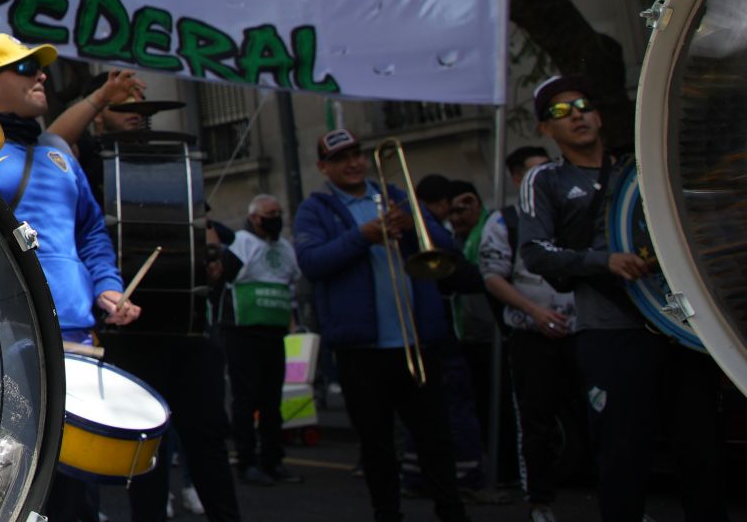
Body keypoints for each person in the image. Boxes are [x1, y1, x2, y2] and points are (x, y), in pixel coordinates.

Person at [519, 75, 726, 522]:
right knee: (622, 456)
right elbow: (535, 252)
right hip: (611, 334)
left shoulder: (642, 171)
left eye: (582, 104)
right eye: (559, 111)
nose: (575, 113)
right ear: (545, 130)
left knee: (702, 453)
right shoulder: (546, 179)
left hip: (677, 329)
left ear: (597, 114)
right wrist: (604, 261)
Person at [0, 35, 144, 522]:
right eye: (25, 68)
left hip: (77, 336)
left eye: (41, 69)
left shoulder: (60, 152)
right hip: (1, 337)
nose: (41, 76)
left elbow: (92, 233)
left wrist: (107, 285)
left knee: (76, 494)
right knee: (6, 481)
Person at [293, 128, 468, 522]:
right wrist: (362, 236)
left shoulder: (397, 196)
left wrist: (410, 224)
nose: (353, 163)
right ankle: (387, 514)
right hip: (362, 350)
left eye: (356, 154)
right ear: (324, 167)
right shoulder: (316, 208)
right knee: (377, 445)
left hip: (416, 340)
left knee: (436, 439)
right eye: (340, 158)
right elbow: (313, 262)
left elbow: (444, 248)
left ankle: (452, 513)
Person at [479, 145, 572, 522]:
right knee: (535, 422)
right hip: (532, 336)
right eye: (536, 172)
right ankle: (539, 501)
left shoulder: (571, 214)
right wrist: (535, 312)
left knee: (606, 420)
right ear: (519, 179)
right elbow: (492, 279)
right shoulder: (504, 222)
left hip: (583, 333)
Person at [223, 194, 302, 488]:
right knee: (245, 397)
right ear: (255, 217)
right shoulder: (242, 241)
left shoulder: (284, 247)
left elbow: (290, 282)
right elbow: (224, 276)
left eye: (279, 211)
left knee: (272, 399)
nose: (277, 216)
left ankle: (273, 459)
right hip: (244, 332)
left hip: (274, 331)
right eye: (271, 212)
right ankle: (247, 460)